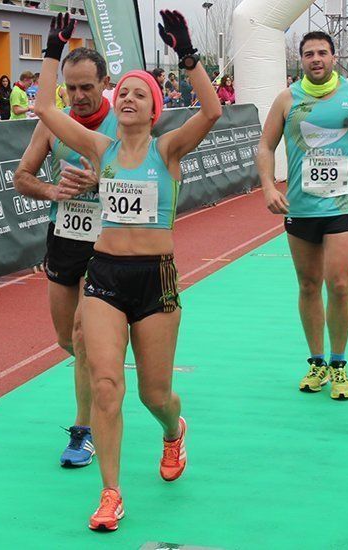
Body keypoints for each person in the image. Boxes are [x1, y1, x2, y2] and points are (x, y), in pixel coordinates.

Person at [34, 11, 221, 532]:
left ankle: (172, 429)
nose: (130, 99)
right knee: (107, 382)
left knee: (153, 393)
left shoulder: (169, 149)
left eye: (141, 94)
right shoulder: (103, 148)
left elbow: (210, 111)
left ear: (154, 109)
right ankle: (111, 493)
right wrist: (53, 49)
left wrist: (187, 54)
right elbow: (46, 107)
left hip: (156, 279)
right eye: (126, 94)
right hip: (105, 276)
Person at [256, 31, 348, 400]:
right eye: (309, 53)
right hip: (300, 207)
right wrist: (267, 186)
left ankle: (340, 364)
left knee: (339, 283)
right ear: (301, 60)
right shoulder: (287, 99)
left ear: (333, 57)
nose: (316, 59)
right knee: (309, 285)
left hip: (343, 206)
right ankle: (317, 362)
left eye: (322, 53)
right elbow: (265, 146)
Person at [14, 47, 118, 471]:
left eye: (86, 87)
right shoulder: (54, 124)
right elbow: (22, 177)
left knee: (82, 332)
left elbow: (148, 182)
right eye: (70, 88)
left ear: (105, 83)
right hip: (64, 237)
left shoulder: (121, 121)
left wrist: (101, 181)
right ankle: (105, 373)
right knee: (66, 339)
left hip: (108, 240)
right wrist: (51, 191)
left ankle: (84, 429)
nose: (77, 96)